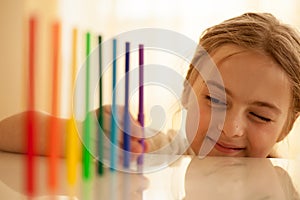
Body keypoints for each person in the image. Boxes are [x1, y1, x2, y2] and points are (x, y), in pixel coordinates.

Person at [0, 12, 300, 159]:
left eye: (260, 116)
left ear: (287, 125)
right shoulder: (158, 151)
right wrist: (86, 136)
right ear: (186, 90)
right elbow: (10, 132)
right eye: (217, 101)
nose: (231, 128)